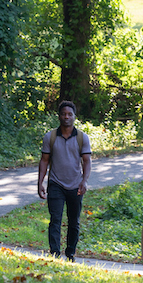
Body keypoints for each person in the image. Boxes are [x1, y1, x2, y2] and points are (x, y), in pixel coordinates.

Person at [37, 100, 92, 261]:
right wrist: (40, 182)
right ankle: (54, 253)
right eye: (63, 114)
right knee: (55, 219)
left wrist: (84, 180)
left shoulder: (82, 137)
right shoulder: (50, 137)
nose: (66, 117)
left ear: (74, 117)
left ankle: (70, 253)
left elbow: (87, 161)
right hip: (56, 184)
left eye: (69, 114)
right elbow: (44, 160)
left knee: (74, 222)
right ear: (59, 116)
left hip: (76, 185)